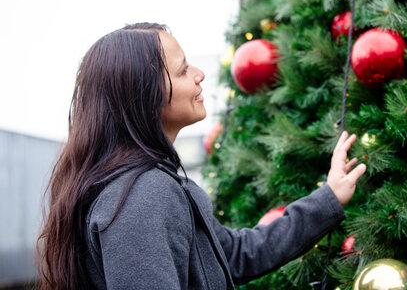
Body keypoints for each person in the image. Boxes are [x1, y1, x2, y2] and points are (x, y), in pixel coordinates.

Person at [37, 23, 366, 289]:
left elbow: (237, 254)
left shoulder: (154, 185)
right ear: (145, 96)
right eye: (182, 71)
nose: (199, 74)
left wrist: (329, 198)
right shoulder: (141, 197)